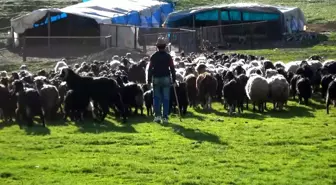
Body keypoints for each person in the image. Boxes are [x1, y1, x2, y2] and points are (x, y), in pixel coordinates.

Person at [147, 36, 176, 124]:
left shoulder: (153, 56)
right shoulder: (168, 57)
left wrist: (148, 80)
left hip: (156, 78)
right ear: (165, 46)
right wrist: (174, 80)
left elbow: (150, 69)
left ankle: (157, 116)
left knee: (156, 98)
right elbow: (172, 68)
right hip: (166, 78)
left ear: (157, 46)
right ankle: (165, 117)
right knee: (166, 98)